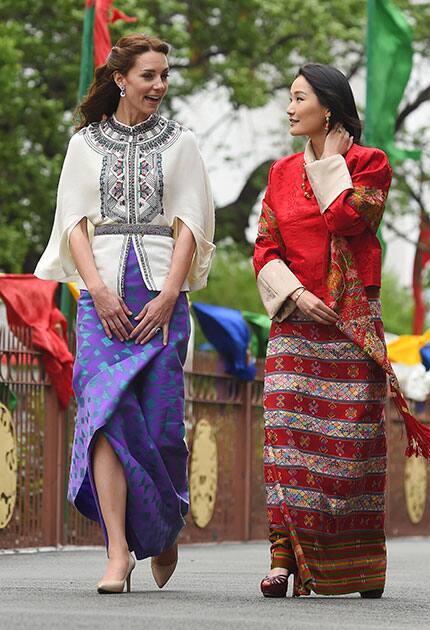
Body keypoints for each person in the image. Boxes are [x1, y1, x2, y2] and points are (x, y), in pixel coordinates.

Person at [35, 33, 215, 594]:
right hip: (101, 298)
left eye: (165, 76)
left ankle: (161, 529)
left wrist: (169, 294)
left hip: (161, 293)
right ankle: (117, 551)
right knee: (105, 421)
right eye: (149, 76)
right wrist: (96, 290)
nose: (159, 85)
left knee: (161, 426)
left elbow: (191, 223)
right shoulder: (84, 144)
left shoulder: (181, 142)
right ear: (121, 79)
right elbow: (73, 225)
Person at [253, 63, 430, 599]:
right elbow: (265, 246)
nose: (289, 108)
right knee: (284, 442)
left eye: (298, 97)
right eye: (289, 98)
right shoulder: (280, 173)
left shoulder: (369, 164)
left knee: (349, 450)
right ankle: (282, 562)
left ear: (326, 107)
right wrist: (296, 295)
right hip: (294, 325)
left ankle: (354, 568)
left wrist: (331, 163)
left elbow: (349, 220)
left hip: (351, 327)